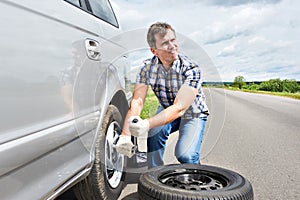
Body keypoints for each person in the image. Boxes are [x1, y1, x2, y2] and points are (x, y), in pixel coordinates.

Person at [116, 22, 209, 168]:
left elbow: (180, 108)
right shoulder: (146, 69)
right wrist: (125, 135)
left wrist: (146, 123)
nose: (172, 46)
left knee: (186, 155)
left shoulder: (191, 69)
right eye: (165, 43)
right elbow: (137, 102)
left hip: (193, 113)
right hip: (166, 108)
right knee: (154, 133)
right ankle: (154, 175)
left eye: (173, 40)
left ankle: (196, 171)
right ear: (154, 50)